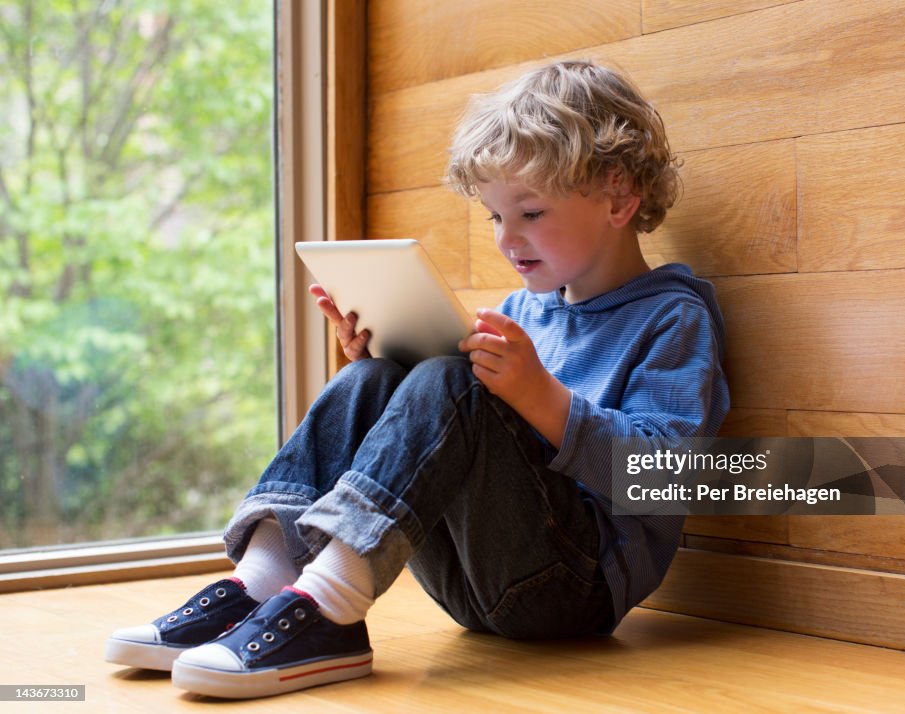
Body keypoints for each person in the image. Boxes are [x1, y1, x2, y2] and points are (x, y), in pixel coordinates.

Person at [104, 59, 730, 699]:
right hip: (469, 581)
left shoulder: (671, 317)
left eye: (532, 212)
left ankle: (329, 608)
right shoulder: (519, 314)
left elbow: (672, 476)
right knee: (379, 374)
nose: (507, 239)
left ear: (619, 197)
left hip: (575, 589)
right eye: (493, 216)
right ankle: (262, 581)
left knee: (452, 381)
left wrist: (542, 398)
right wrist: (384, 374)